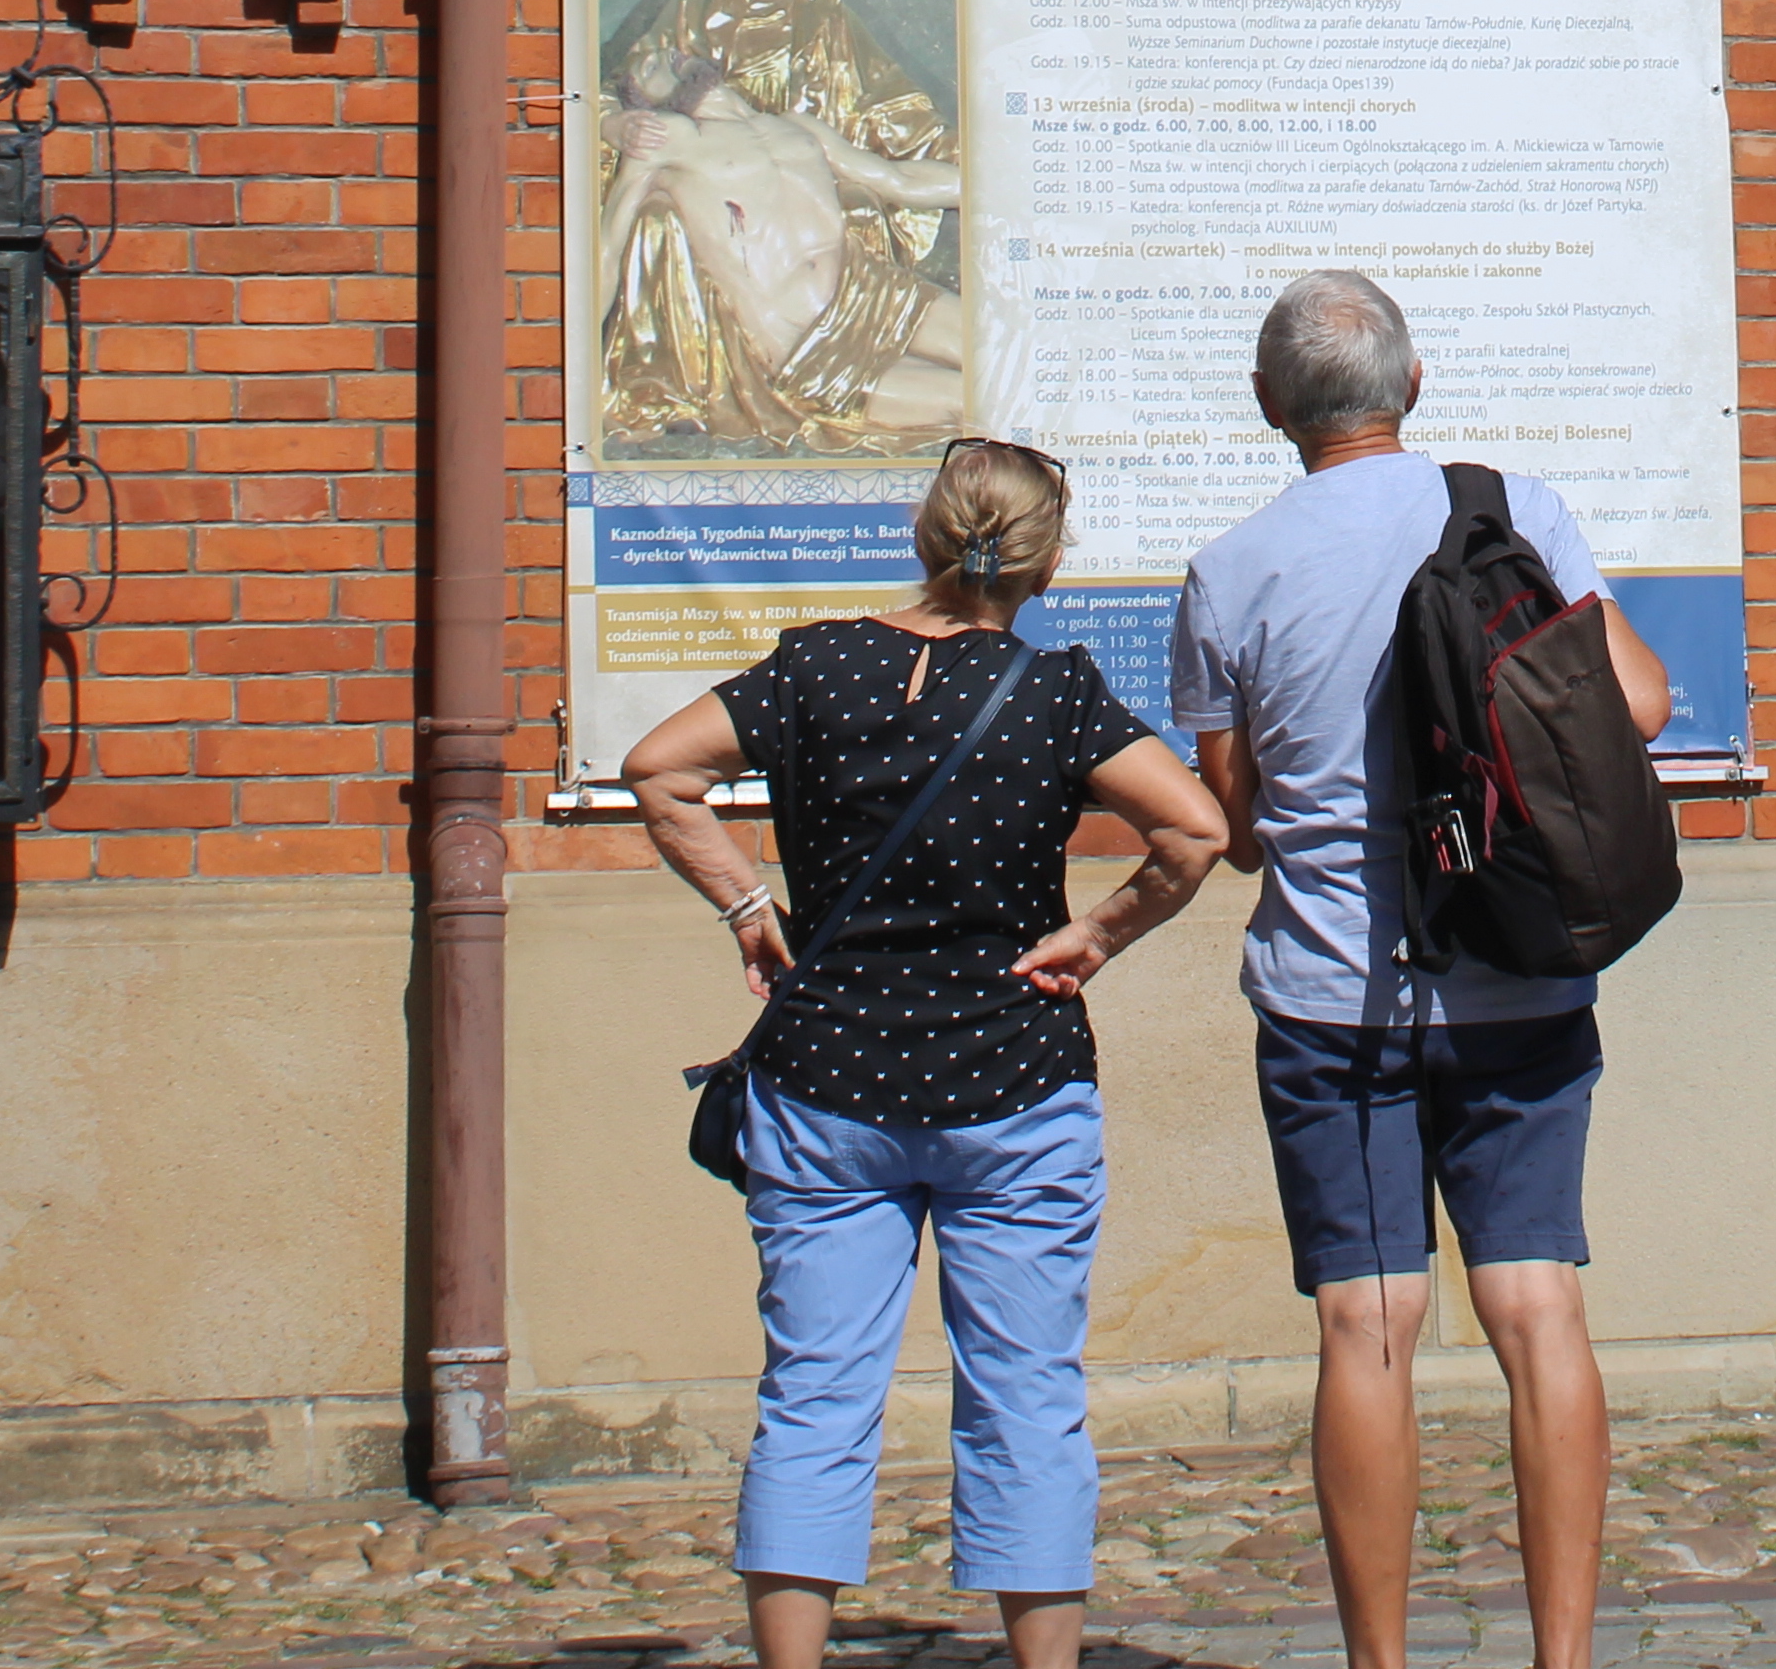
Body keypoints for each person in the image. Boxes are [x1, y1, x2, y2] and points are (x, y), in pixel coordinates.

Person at [622, 439, 1229, 1669]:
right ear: (1048, 559)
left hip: (827, 1079)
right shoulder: (1055, 692)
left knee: (814, 1396)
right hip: (1015, 1083)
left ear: (923, 534)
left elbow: (658, 768)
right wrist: (1097, 934)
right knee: (1024, 1398)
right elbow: (1196, 826)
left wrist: (750, 904)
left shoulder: (816, 664)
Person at [1170, 272, 1673, 1669]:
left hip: (1338, 998)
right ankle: (1562, 1659)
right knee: (1537, 1304)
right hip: (1521, 977)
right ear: (1416, 386)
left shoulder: (1230, 572)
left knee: (1367, 1327)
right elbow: (1634, 701)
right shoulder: (1515, 516)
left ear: (1272, 408)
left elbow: (1240, 826)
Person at [589, 0, 970, 450]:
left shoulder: (798, 119)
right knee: (980, 399)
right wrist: (616, 123)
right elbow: (609, 247)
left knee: (1011, 353)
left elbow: (900, 175)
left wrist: (1007, 181)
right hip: (809, 346)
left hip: (874, 292)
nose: (663, 57)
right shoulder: (671, 136)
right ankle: (670, 389)